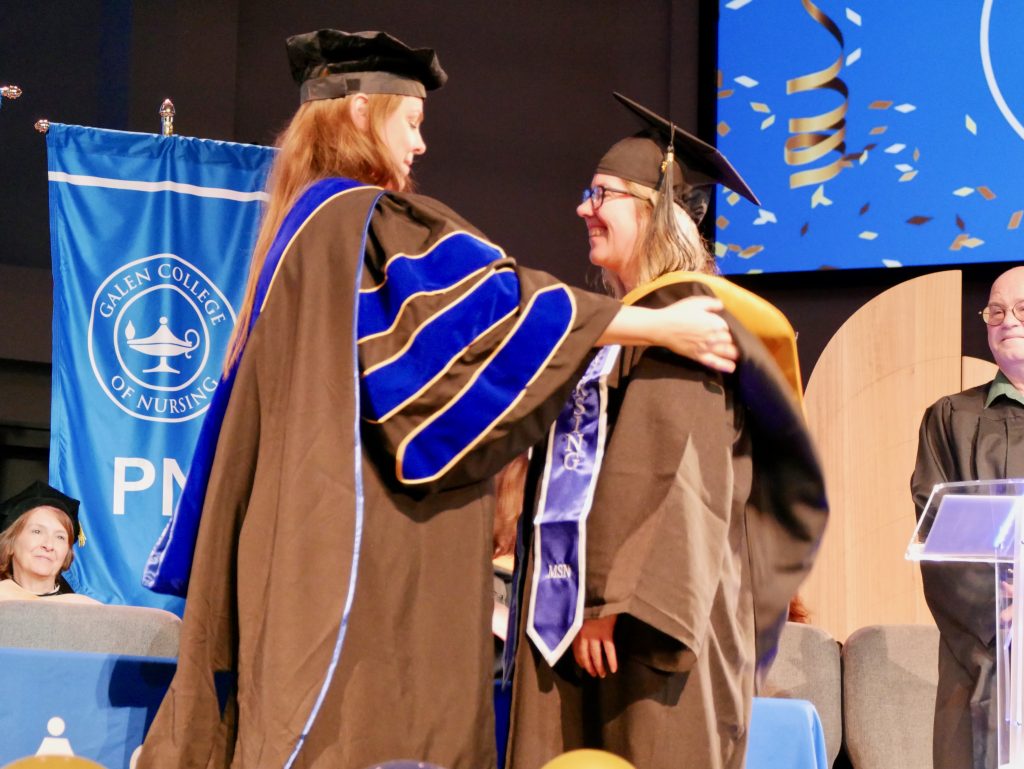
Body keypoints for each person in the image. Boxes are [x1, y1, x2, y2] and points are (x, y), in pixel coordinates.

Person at [138, 32, 741, 769]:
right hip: (351, 558)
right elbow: (494, 308)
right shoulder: (368, 222)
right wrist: (658, 323)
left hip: (296, 539)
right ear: (362, 113)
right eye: (412, 124)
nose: (420, 147)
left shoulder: (296, 232)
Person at [504, 93, 828, 769]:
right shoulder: (623, 323)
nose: (582, 208)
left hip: (645, 633)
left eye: (602, 194)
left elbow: (677, 471)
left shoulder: (690, 316)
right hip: (581, 623)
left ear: (653, 209)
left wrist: (612, 603)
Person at [911, 265, 1024, 769]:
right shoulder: (952, 418)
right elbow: (941, 536)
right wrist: (1006, 623)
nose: (1007, 321)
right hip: (981, 653)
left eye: (1022, 310)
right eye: (996, 311)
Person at [0, 481, 97, 603]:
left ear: (67, 553)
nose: (49, 545)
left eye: (60, 537)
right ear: (9, 544)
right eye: (37, 531)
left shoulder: (86, 611)